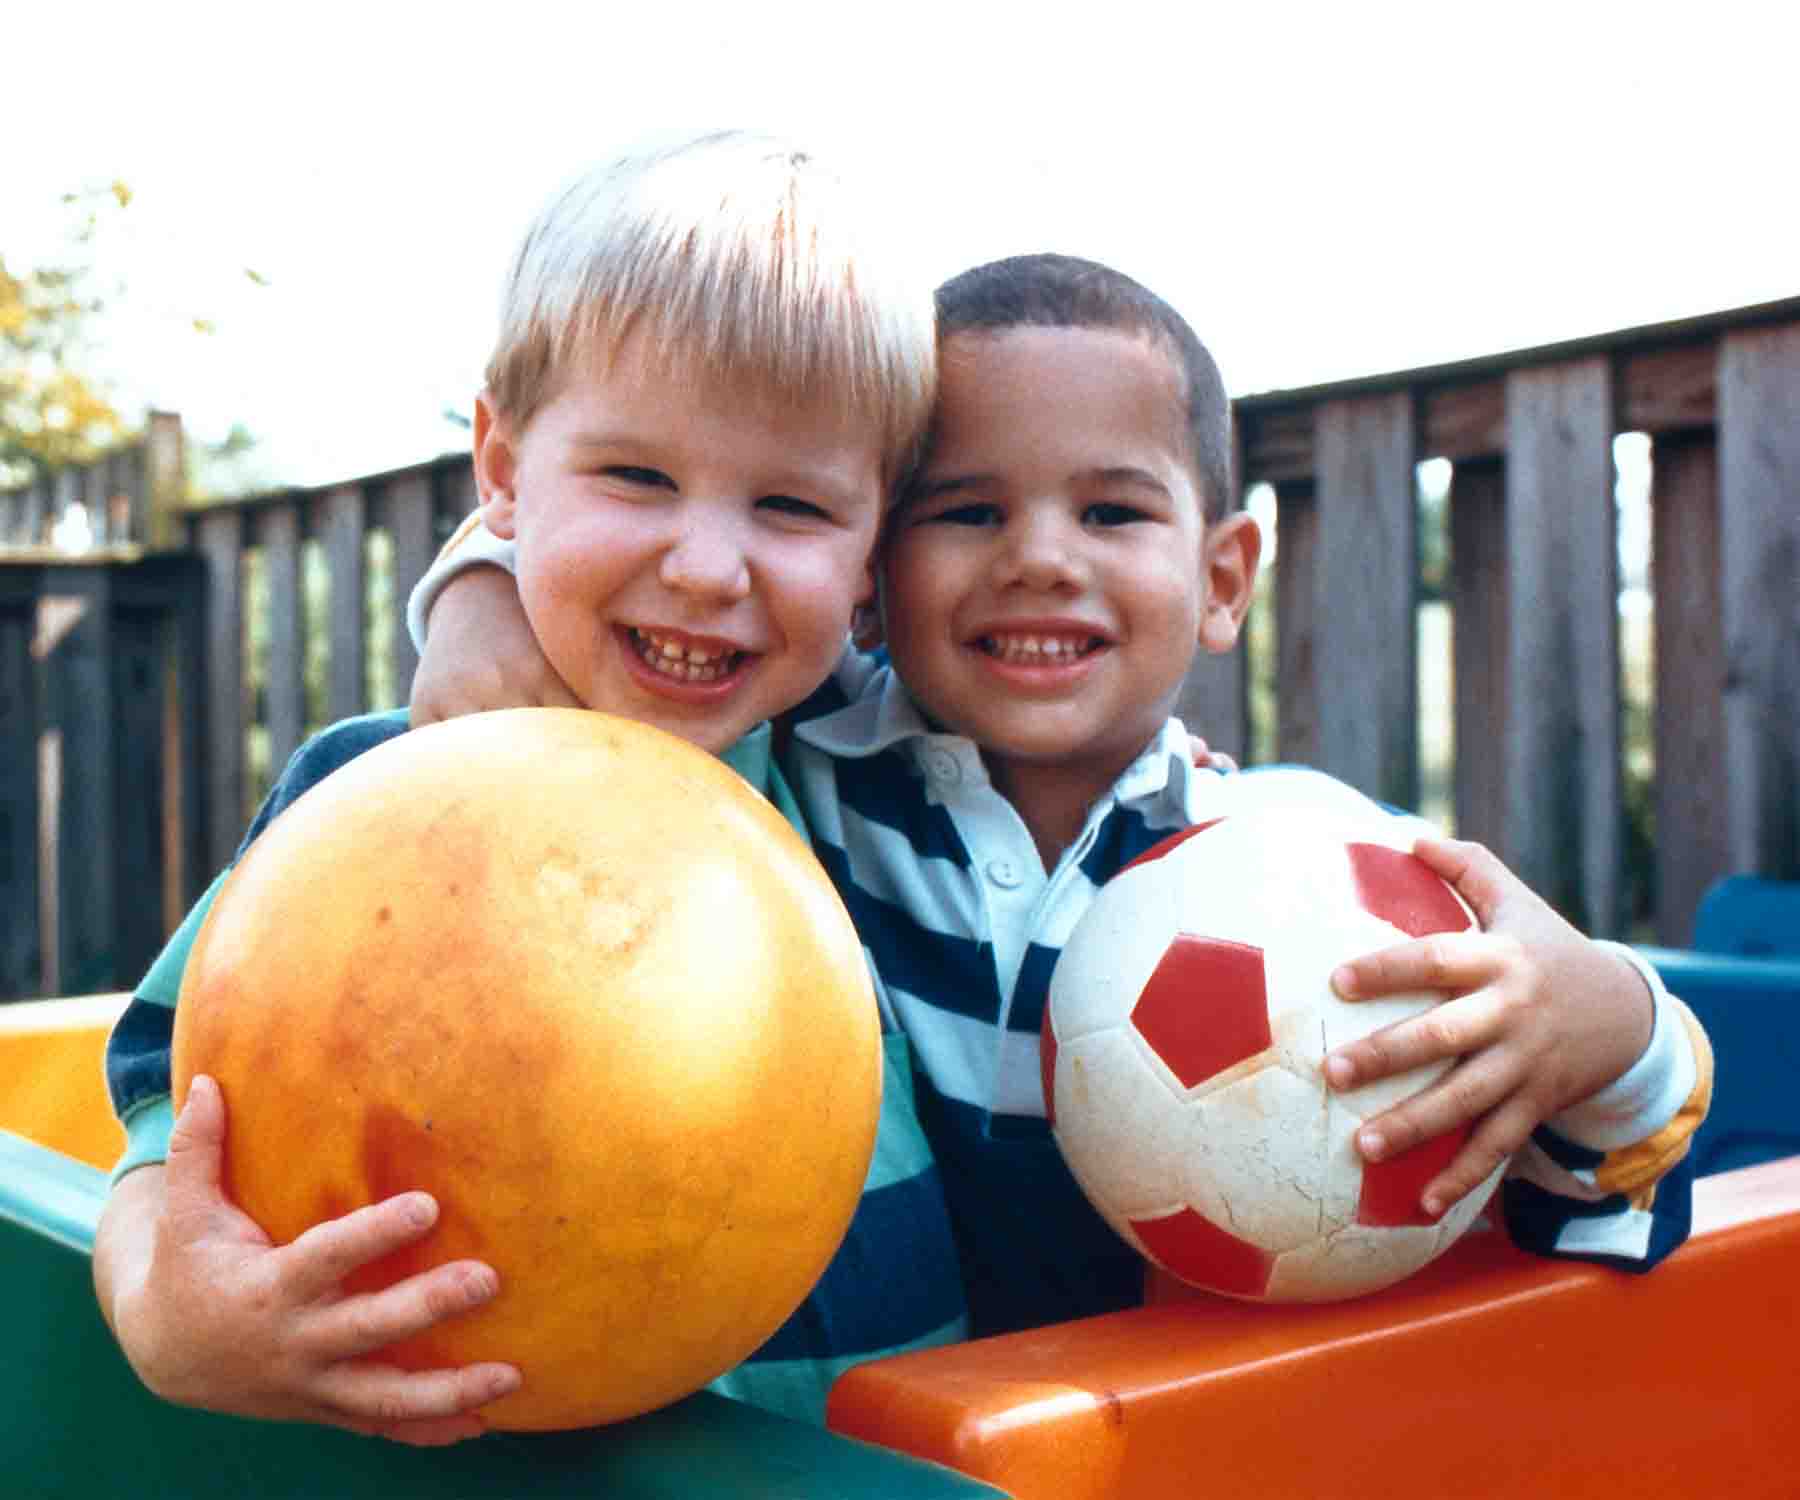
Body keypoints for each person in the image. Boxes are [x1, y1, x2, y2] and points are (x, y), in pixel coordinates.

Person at [407, 253, 1715, 1338]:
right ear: (867, 565)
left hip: (1157, 1445)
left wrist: (1609, 1028)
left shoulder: (1321, 877)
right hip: (831, 1444)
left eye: (1111, 514)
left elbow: (1593, 1187)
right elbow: (624, 571)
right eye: (967, 512)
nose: (1040, 558)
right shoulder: (787, 755)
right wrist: (475, 591)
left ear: (1222, 577)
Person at [93, 128, 969, 1445]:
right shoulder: (375, 802)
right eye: (637, 476)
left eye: (791, 507)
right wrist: (168, 1319)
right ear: (500, 473)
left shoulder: (873, 791)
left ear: (869, 555)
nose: (707, 566)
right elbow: (174, 1115)